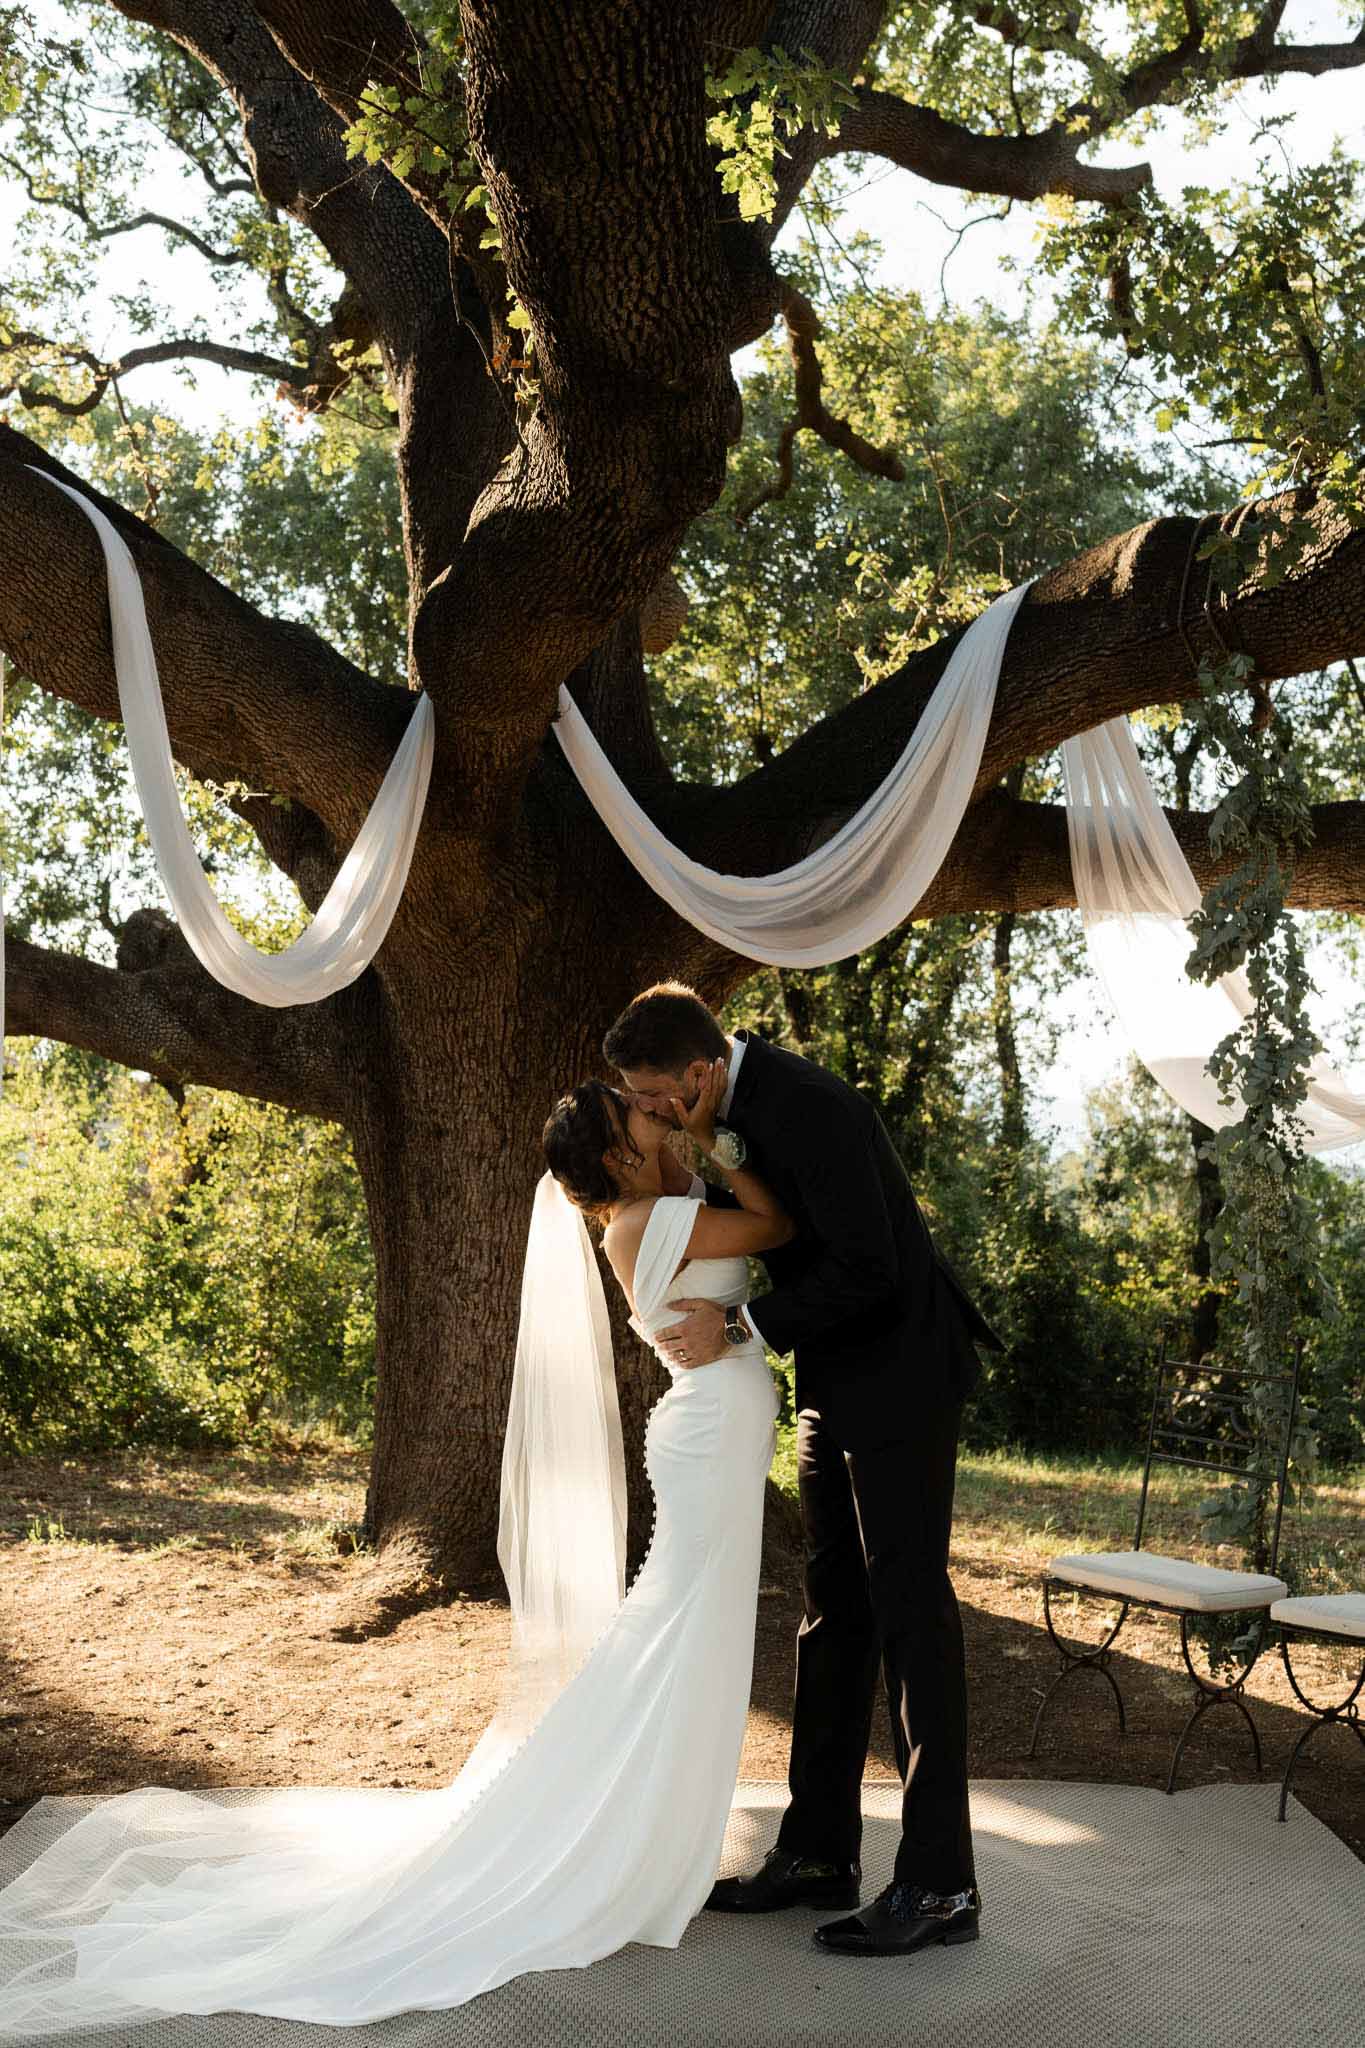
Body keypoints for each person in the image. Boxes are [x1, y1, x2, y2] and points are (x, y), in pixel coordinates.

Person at [0, 1069, 791, 2036]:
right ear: (617, 1153)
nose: (660, 1109)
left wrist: (696, 1152)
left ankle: (644, 1830)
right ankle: (599, 1834)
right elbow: (775, 1226)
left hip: (718, 1433)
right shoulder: (640, 1224)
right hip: (706, 1439)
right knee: (671, 1633)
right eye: (642, 1112)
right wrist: (714, 1141)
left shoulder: (665, 1201)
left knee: (683, 1635)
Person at [604, 980, 1004, 1957]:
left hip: (904, 1372)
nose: (649, 1110)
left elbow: (869, 1264)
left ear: (700, 1072)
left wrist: (741, 1322)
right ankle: (820, 1848)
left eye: (656, 1094)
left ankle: (943, 1883)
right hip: (834, 1376)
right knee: (835, 1609)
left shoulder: (807, 1103)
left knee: (911, 1612)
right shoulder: (729, 1112)